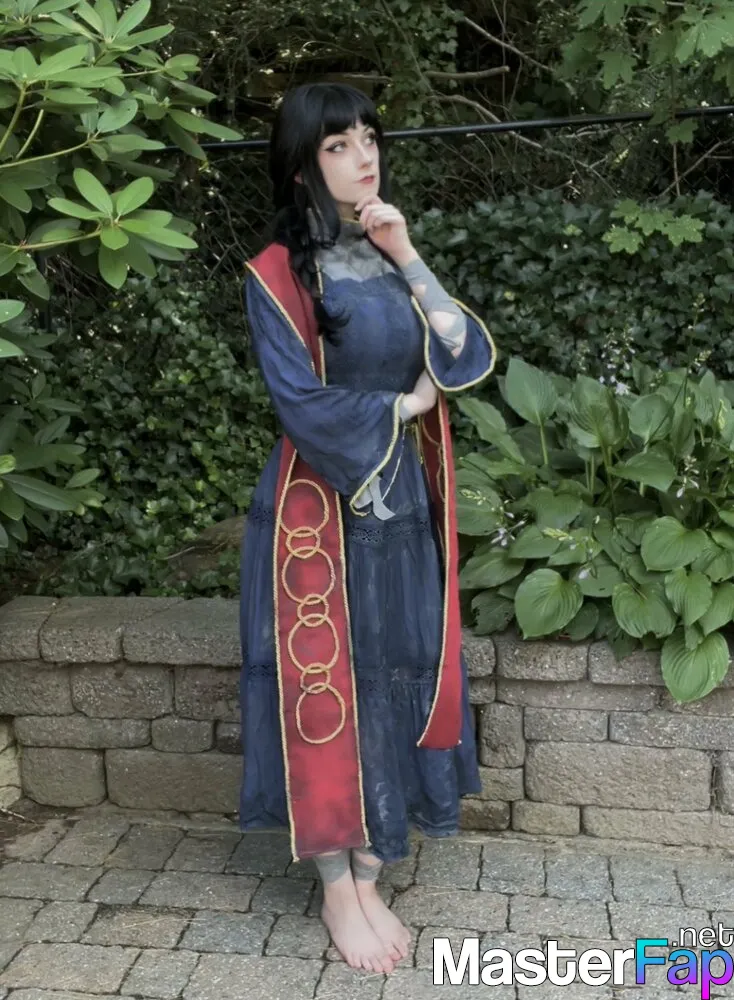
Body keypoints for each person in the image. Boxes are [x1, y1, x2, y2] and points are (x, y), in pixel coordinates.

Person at [238, 82, 496, 975]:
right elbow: (298, 401)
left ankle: (372, 862)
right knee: (326, 683)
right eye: (339, 144)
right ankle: (336, 886)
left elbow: (460, 349)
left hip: (401, 508)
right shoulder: (277, 272)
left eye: (368, 138)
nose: (364, 156)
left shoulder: (386, 250)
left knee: (395, 668)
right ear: (303, 163)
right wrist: (404, 406)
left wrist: (409, 251)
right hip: (317, 512)